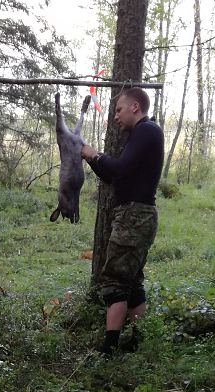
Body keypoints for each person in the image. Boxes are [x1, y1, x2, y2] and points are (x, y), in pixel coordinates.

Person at [81, 87, 164, 355]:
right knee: (132, 280)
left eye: (119, 110)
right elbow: (115, 176)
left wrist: (95, 155)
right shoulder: (141, 135)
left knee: (116, 278)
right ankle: (139, 340)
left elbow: (119, 168)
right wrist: (92, 160)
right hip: (138, 215)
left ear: (135, 107)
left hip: (134, 217)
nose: (115, 117)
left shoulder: (146, 131)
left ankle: (108, 349)